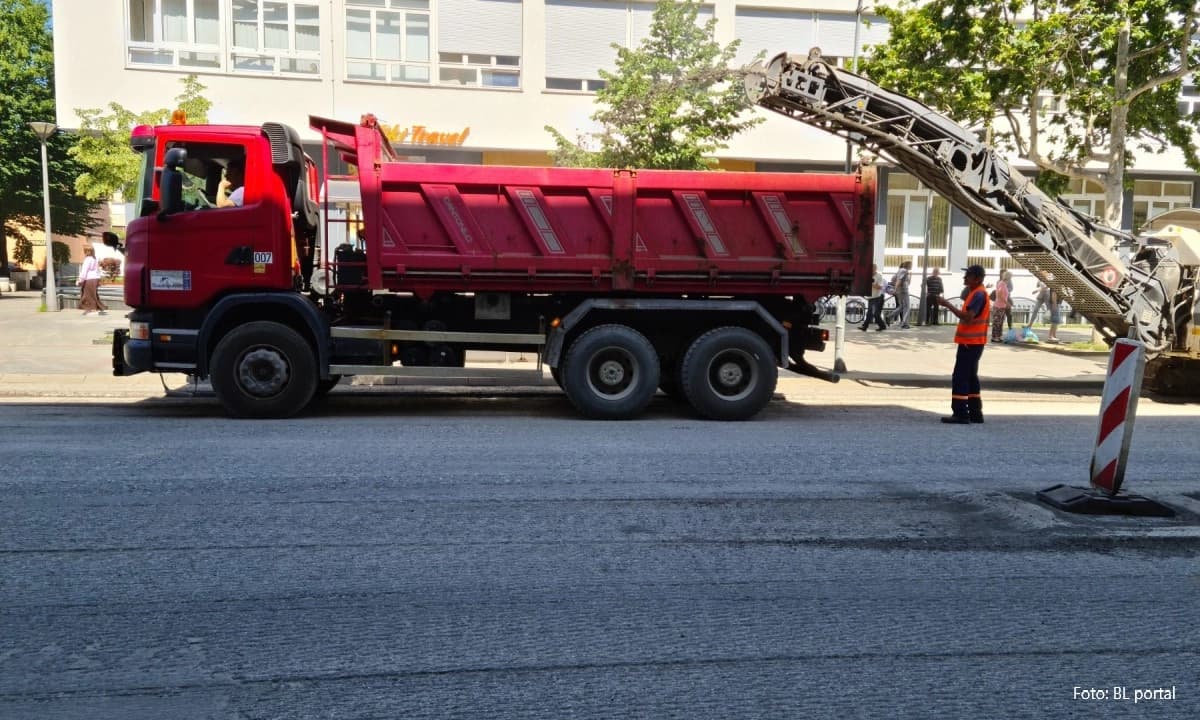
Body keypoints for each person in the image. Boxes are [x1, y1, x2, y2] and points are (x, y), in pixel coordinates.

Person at [937, 264, 990, 424]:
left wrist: (947, 305)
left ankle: (961, 413)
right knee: (971, 377)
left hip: (970, 343)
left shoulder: (978, 294)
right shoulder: (975, 292)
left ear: (978, 278)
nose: (964, 277)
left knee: (960, 376)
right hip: (974, 342)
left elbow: (968, 317)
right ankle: (975, 413)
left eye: (968, 275)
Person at [76, 245, 107, 317]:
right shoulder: (94, 259)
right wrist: (98, 279)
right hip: (95, 279)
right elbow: (97, 270)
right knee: (93, 295)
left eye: (85, 250)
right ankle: (96, 309)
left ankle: (91, 310)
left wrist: (80, 280)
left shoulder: (87, 259)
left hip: (89, 279)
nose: (85, 252)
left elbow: (84, 271)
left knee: (87, 295)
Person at [859, 263, 887, 331]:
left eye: (873, 268)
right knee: (870, 313)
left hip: (878, 297)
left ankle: (867, 327)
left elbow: (879, 287)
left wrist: (872, 284)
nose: (871, 270)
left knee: (875, 313)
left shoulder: (879, 276)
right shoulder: (867, 275)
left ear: (875, 269)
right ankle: (880, 326)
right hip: (871, 297)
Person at [888, 260, 912, 329]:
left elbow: (893, 279)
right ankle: (905, 324)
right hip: (903, 291)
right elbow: (899, 280)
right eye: (911, 265)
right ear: (908, 265)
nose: (911, 266)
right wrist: (895, 289)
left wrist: (910, 276)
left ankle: (889, 317)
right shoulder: (904, 271)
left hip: (900, 291)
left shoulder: (899, 271)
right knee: (907, 307)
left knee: (901, 307)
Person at [990, 273, 1010, 342]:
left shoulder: (1004, 284)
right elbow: (999, 295)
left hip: (1002, 306)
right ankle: (994, 337)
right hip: (998, 306)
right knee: (997, 322)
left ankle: (999, 336)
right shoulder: (1001, 284)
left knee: (1000, 322)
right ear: (1008, 277)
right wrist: (1006, 302)